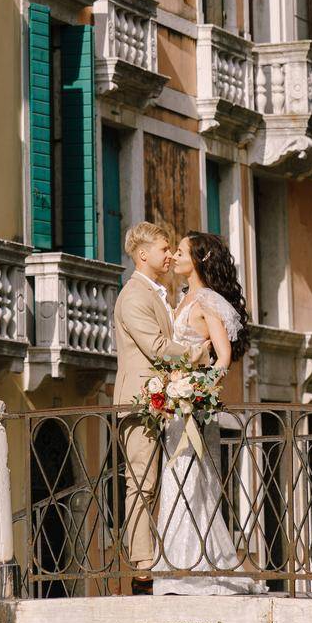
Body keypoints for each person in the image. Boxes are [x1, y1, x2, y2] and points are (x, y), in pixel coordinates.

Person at [151, 230, 262, 596]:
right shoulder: (184, 298)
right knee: (177, 479)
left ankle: (194, 566)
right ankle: (176, 564)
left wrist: (197, 391)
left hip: (192, 409)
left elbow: (223, 357)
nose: (175, 257)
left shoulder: (208, 301)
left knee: (190, 480)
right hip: (175, 407)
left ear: (198, 260)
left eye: (180, 251)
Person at [113, 221, 210, 595]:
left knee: (157, 483)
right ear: (143, 254)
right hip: (140, 403)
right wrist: (195, 354)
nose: (169, 255)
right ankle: (142, 568)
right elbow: (155, 346)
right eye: (164, 249)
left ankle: (161, 559)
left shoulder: (158, 293)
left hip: (161, 401)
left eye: (171, 249)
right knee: (142, 482)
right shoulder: (134, 295)